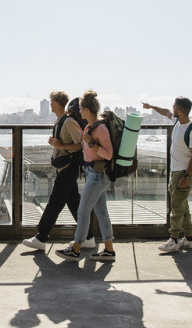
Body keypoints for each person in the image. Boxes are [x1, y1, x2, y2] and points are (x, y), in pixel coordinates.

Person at [22, 92, 96, 251]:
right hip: (63, 168)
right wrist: (56, 143)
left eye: (51, 101)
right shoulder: (60, 121)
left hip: (69, 168)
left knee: (55, 203)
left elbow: (81, 144)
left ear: (56, 102)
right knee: (74, 203)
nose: (50, 104)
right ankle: (88, 237)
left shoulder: (68, 121)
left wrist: (60, 146)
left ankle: (41, 237)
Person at [56, 91, 116, 262]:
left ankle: (75, 248)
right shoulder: (89, 127)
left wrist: (90, 143)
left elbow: (109, 154)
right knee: (102, 212)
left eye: (81, 108)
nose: (78, 111)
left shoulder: (101, 128)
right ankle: (109, 250)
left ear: (87, 109)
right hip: (92, 173)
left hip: (98, 175)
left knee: (83, 211)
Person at [142, 98, 192, 253]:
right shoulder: (177, 122)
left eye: (174, 107)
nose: (172, 109)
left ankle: (173, 239)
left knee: (176, 206)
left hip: (183, 172)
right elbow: (165, 112)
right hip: (176, 171)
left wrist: (187, 176)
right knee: (183, 206)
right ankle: (189, 239)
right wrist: (150, 106)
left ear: (179, 110)